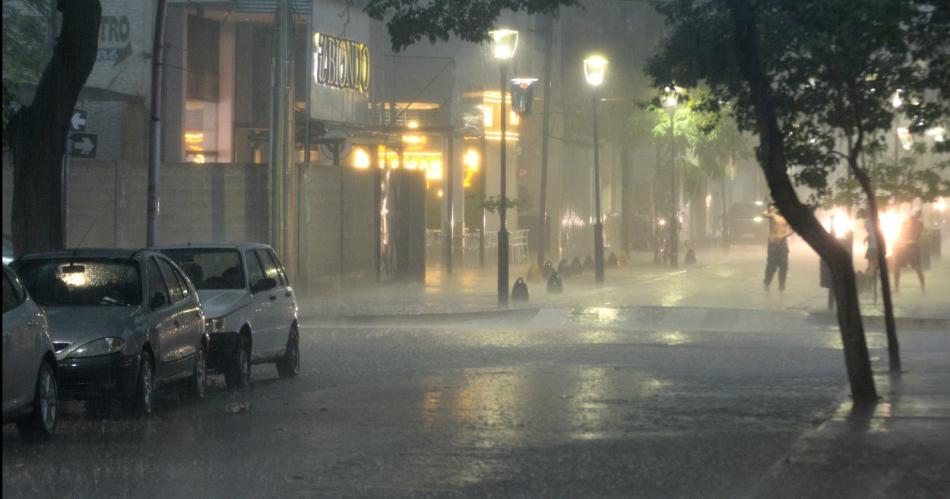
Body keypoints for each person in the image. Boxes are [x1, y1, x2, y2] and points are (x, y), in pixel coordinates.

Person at [763, 204, 793, 291]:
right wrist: (770, 209)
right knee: (771, 265)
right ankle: (767, 282)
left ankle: (782, 284)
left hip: (783, 244)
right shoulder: (773, 215)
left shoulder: (787, 217)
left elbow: (792, 230)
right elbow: (764, 214)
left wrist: (783, 235)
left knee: (784, 265)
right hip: (773, 244)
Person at [895, 208, 925, 292]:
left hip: (911, 247)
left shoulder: (918, 224)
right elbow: (901, 233)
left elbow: (915, 236)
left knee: (916, 267)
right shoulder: (906, 223)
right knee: (897, 267)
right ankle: (896, 288)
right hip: (905, 246)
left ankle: (923, 288)